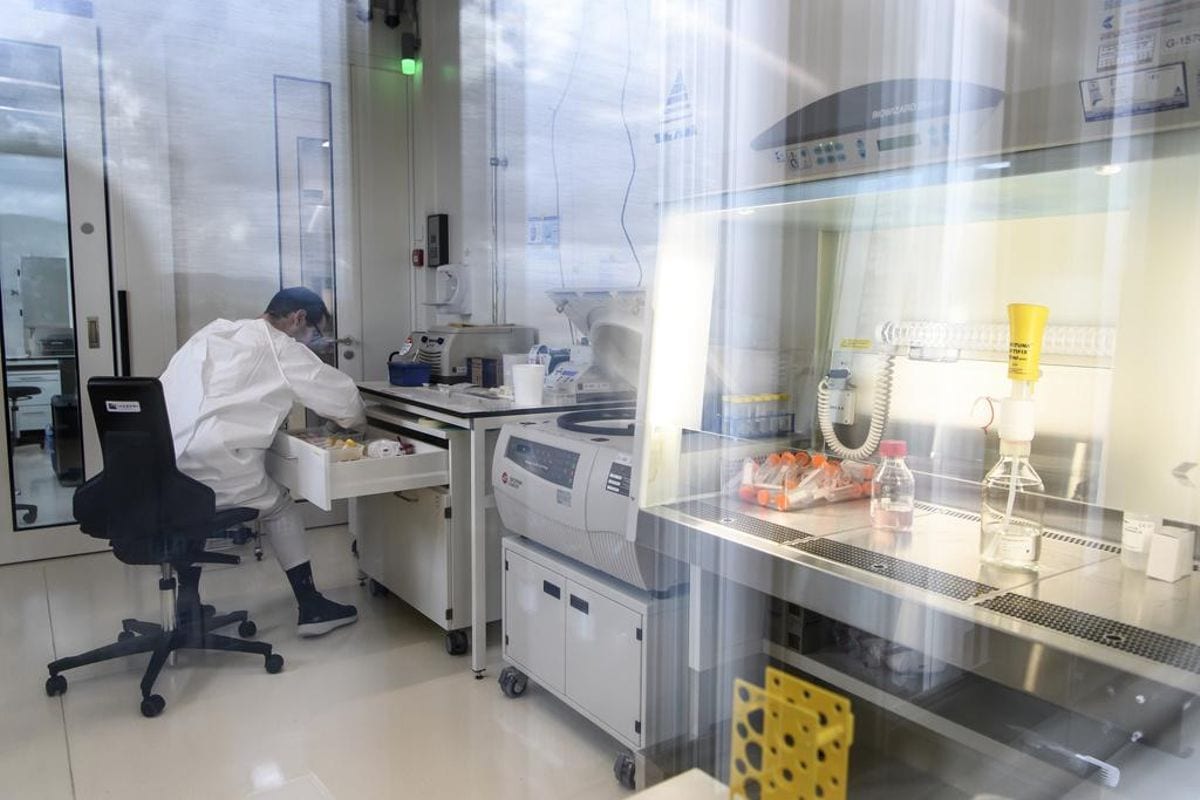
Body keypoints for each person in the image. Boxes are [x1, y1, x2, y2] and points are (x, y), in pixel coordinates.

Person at [160, 287, 366, 636]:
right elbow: (346, 403)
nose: (314, 342)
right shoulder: (279, 347)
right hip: (217, 472)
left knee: (192, 512)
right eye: (315, 333)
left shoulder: (214, 332)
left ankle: (188, 604)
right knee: (279, 506)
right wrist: (356, 424)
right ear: (298, 318)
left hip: (165, 466)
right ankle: (311, 607)